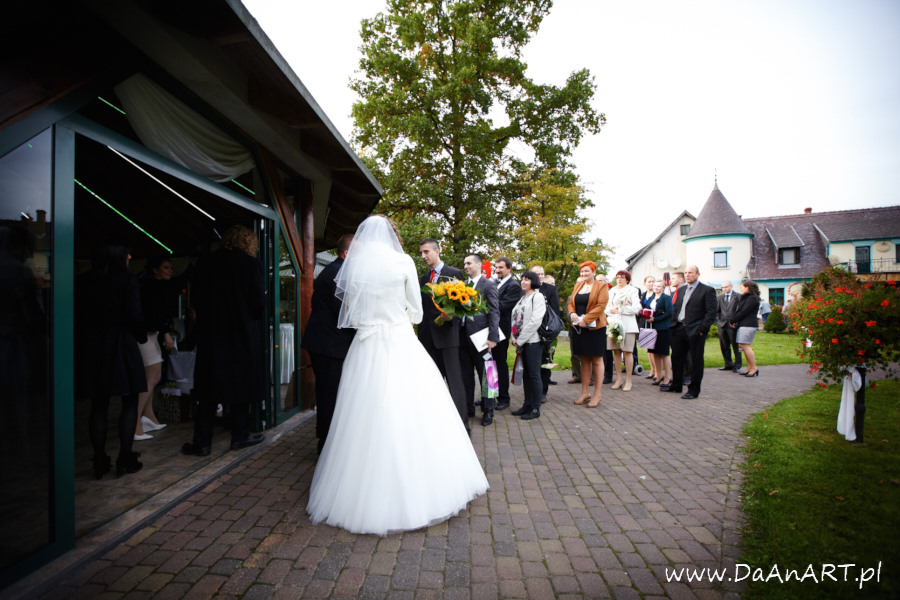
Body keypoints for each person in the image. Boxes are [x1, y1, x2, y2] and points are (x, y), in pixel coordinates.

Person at [307, 215, 488, 535]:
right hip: (398, 340)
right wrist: (400, 314)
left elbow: (353, 314)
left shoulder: (357, 267)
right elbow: (417, 312)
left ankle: (359, 488)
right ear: (394, 236)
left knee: (361, 412)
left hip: (365, 345)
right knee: (412, 406)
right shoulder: (403, 262)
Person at [183, 225, 265, 456]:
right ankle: (239, 436)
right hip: (241, 335)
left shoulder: (206, 263)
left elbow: (197, 299)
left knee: (208, 388)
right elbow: (258, 304)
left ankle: (202, 442)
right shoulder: (251, 265)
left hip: (211, 334)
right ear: (248, 243)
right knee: (242, 384)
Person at [75, 242, 147, 478]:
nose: (130, 256)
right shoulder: (127, 280)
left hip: (93, 347)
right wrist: (141, 336)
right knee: (129, 400)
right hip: (121, 344)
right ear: (120, 257)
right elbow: (134, 315)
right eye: (128, 253)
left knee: (98, 404)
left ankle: (99, 461)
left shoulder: (83, 281)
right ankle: (124, 457)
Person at [302, 234, 355, 454]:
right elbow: (345, 314)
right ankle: (326, 446)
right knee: (330, 395)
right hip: (329, 346)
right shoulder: (337, 274)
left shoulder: (336, 270)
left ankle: (326, 441)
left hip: (326, 344)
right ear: (346, 253)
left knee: (328, 394)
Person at [417, 238, 468, 431]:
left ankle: (462, 427)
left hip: (447, 338)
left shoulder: (454, 274)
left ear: (438, 251)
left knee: (455, 383)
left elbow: (464, 304)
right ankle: (436, 425)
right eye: (421, 253)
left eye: (426, 252)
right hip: (426, 339)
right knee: (432, 384)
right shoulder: (423, 278)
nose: (423, 256)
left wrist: (452, 317)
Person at [134, 257, 179, 441]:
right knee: (152, 376)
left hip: (148, 334)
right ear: (155, 269)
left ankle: (148, 417)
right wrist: (166, 334)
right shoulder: (154, 287)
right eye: (166, 267)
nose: (170, 271)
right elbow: (157, 313)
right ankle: (135, 424)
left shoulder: (149, 286)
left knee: (151, 376)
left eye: (170, 268)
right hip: (145, 335)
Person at [459, 253, 500, 426]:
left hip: (482, 340)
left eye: (469, 263)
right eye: (464, 264)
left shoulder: (488, 285)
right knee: (466, 376)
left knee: (488, 376)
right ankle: (469, 408)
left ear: (479, 265)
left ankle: (488, 411)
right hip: (463, 339)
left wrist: (493, 338)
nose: (466, 266)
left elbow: (494, 312)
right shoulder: (463, 285)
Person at [666, 265, 717, 399]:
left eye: (691, 273)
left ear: (698, 274)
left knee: (695, 361)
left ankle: (693, 390)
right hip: (678, 329)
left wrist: (702, 330)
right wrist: (673, 326)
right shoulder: (681, 290)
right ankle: (676, 385)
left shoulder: (707, 290)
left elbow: (711, 313)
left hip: (695, 331)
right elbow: (676, 308)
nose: (688, 275)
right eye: (686, 273)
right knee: (676, 358)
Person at [566, 261, 608, 408]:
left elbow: (601, 306)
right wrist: (572, 313)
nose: (584, 274)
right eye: (582, 272)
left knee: (596, 359)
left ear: (594, 272)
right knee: (583, 359)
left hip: (595, 328)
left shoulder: (601, 286)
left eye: (587, 271)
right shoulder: (578, 285)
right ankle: (584, 393)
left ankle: (597, 394)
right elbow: (571, 302)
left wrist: (586, 319)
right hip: (579, 327)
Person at [510, 271, 546, 420]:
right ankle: (527, 404)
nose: (523, 282)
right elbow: (516, 320)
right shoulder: (523, 298)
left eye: (527, 280)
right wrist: (514, 337)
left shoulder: (537, 297)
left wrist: (520, 339)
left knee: (534, 375)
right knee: (526, 374)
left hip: (533, 342)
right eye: (522, 279)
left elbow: (535, 321)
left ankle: (535, 408)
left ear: (534, 281)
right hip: (522, 342)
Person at [491, 257, 522, 411]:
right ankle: (491, 395)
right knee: (489, 363)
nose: (497, 270)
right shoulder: (495, 283)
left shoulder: (514, 286)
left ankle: (503, 397)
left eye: (501, 267)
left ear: (509, 268)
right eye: (496, 267)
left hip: (501, 331)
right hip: (490, 329)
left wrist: (484, 304)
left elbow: (504, 306)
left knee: (500, 363)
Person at [605, 270, 641, 392]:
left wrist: (622, 309)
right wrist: (612, 310)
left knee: (627, 352)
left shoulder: (633, 290)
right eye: (617, 277)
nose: (619, 279)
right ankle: (619, 379)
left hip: (628, 325)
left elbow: (637, 308)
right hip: (614, 324)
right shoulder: (612, 291)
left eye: (622, 277)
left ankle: (629, 380)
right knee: (616, 351)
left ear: (627, 279)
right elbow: (605, 308)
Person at [530, 265, 559, 397]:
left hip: (546, 331)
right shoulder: (526, 288)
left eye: (542, 274)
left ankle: (543, 391)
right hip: (530, 331)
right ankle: (533, 390)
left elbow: (555, 311)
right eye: (537, 274)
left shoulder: (550, 289)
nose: (541, 276)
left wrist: (548, 331)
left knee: (546, 362)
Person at [643, 280, 673, 389]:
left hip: (663, 328)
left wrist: (655, 318)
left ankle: (667, 377)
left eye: (659, 286)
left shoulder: (666, 298)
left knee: (664, 353)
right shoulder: (651, 298)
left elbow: (669, 312)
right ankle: (658, 375)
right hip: (652, 328)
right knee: (654, 353)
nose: (656, 287)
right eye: (655, 285)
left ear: (663, 287)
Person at [730, 280, 762, 377]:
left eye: (742, 287)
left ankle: (754, 368)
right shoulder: (747, 298)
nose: (741, 289)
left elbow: (744, 312)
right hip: (744, 324)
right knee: (744, 346)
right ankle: (749, 367)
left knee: (745, 346)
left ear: (748, 287)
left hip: (748, 325)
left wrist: (733, 320)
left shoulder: (752, 299)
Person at [669, 271, 691, 385]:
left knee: (686, 353)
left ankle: (687, 376)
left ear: (681, 280)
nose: (670, 281)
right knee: (676, 353)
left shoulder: (687, 291)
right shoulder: (673, 293)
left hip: (684, 326)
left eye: (673, 278)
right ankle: (678, 376)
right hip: (674, 327)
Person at [716, 281, 742, 373]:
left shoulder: (738, 296)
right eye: (723, 287)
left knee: (735, 346)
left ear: (731, 286)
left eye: (726, 287)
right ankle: (728, 364)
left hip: (733, 325)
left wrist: (736, 322)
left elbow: (740, 311)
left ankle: (737, 365)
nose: (724, 289)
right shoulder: (719, 297)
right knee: (724, 345)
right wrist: (718, 322)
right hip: (722, 325)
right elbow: (717, 311)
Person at [638, 275, 655, 380]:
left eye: (653, 281)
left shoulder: (656, 295)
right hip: (644, 323)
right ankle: (652, 370)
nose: (651, 284)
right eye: (649, 282)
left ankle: (657, 371)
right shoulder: (643, 295)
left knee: (654, 349)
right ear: (645, 283)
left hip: (653, 323)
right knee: (648, 348)